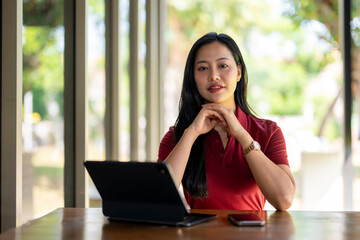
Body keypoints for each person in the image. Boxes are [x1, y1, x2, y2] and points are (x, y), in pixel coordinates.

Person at [158, 32, 296, 211]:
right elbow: (160, 198)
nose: (214, 76)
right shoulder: (177, 136)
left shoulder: (269, 132)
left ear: (238, 73)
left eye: (223, 65)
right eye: (202, 68)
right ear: (193, 77)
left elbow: (284, 200)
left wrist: (241, 135)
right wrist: (191, 133)